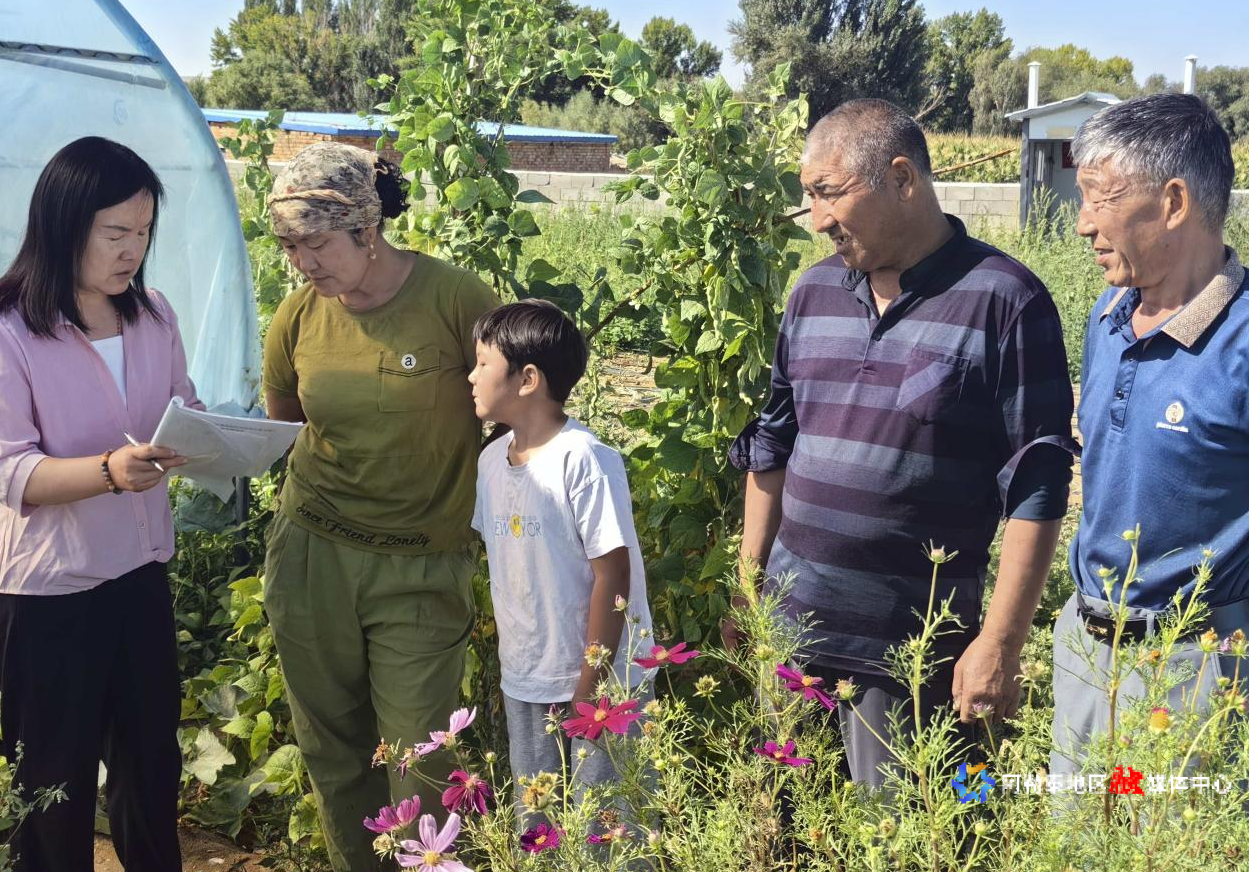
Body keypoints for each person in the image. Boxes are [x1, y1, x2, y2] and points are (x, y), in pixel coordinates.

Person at [726, 99, 1076, 787]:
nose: (816, 218)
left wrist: (999, 643)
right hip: (791, 640)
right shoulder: (812, 293)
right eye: (808, 196)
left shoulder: (1005, 299)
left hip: (914, 659)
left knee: (911, 828)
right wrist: (748, 586)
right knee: (790, 826)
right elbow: (772, 444)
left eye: (828, 193)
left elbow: (1037, 486)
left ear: (901, 179)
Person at [0, 136, 196, 871]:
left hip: (137, 573)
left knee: (151, 766)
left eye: (144, 231)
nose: (133, 250)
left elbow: (181, 407)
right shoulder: (5, 330)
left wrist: (209, 438)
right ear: (63, 225)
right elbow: (5, 471)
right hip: (45, 593)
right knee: (51, 786)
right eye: (115, 232)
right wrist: (110, 472)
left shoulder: (153, 315)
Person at [261, 142, 499, 869]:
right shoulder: (297, 316)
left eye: (317, 243)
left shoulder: (457, 300)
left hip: (420, 566)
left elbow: (517, 406)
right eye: (289, 246)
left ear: (368, 231)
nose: (303, 262)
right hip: (313, 556)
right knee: (334, 752)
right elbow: (284, 422)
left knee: (421, 758)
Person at [1052, 93, 1249, 774]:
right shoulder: (1108, 315)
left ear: (1173, 203)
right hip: (1083, 651)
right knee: (1074, 832)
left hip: (1194, 672)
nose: (1083, 223)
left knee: (1173, 831)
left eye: (1099, 198)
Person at [467, 300, 656, 820]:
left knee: (609, 827)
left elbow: (613, 576)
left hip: (602, 683)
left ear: (528, 379)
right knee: (539, 822)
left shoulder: (585, 459)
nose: (471, 376)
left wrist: (591, 685)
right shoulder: (491, 461)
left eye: (483, 363)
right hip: (527, 677)